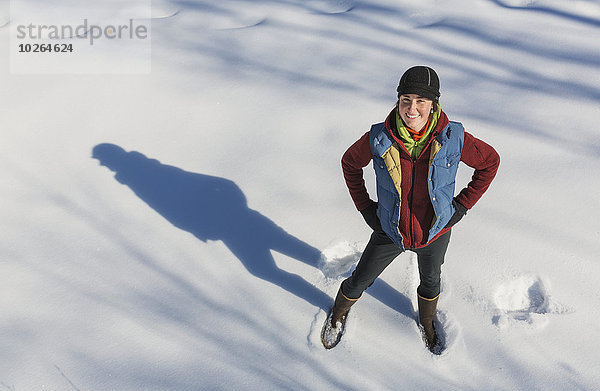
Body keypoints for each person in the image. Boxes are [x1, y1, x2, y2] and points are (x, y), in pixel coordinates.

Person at [321, 66, 500, 353]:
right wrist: (366, 208)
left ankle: (427, 321)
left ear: (433, 104)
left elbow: (490, 162)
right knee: (361, 279)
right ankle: (339, 311)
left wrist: (462, 205)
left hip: (435, 231)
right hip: (390, 229)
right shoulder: (379, 137)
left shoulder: (454, 137)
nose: (412, 109)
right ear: (398, 101)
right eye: (406, 100)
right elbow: (350, 163)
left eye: (420, 101)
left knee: (431, 281)